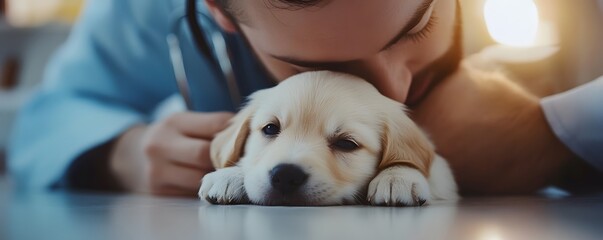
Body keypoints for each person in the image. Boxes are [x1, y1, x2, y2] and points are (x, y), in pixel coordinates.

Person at [8, 0, 603, 196]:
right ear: (220, 11)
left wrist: (557, 129)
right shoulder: (149, 12)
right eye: (326, 68)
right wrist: (123, 152)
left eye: (418, 28)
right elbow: (45, 117)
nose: (394, 91)